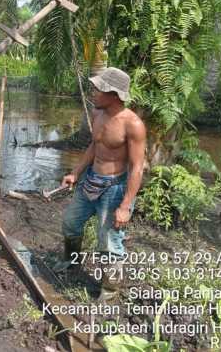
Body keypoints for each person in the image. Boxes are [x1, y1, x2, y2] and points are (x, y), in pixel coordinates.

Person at [56, 67, 146, 299]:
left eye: (98, 89)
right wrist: (76, 172)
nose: (93, 93)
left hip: (114, 188)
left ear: (113, 94)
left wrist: (125, 206)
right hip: (90, 180)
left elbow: (136, 167)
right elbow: (95, 147)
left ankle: (109, 289)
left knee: (109, 242)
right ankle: (71, 261)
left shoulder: (133, 124)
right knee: (70, 223)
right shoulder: (98, 114)